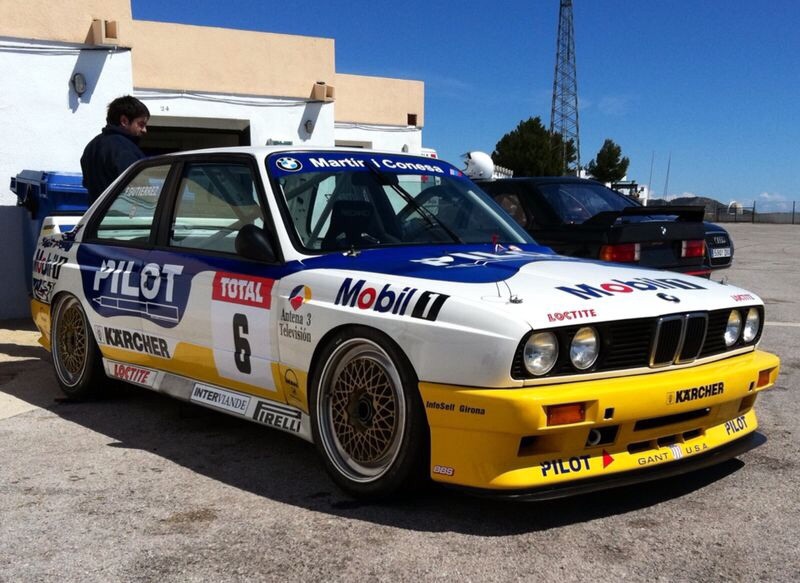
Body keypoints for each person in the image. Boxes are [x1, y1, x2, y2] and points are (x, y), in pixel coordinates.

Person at [81, 95, 150, 203]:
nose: (144, 130)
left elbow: (87, 184)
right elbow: (138, 190)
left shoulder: (91, 146)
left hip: (96, 212)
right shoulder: (125, 149)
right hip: (124, 212)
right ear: (124, 121)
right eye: (141, 124)